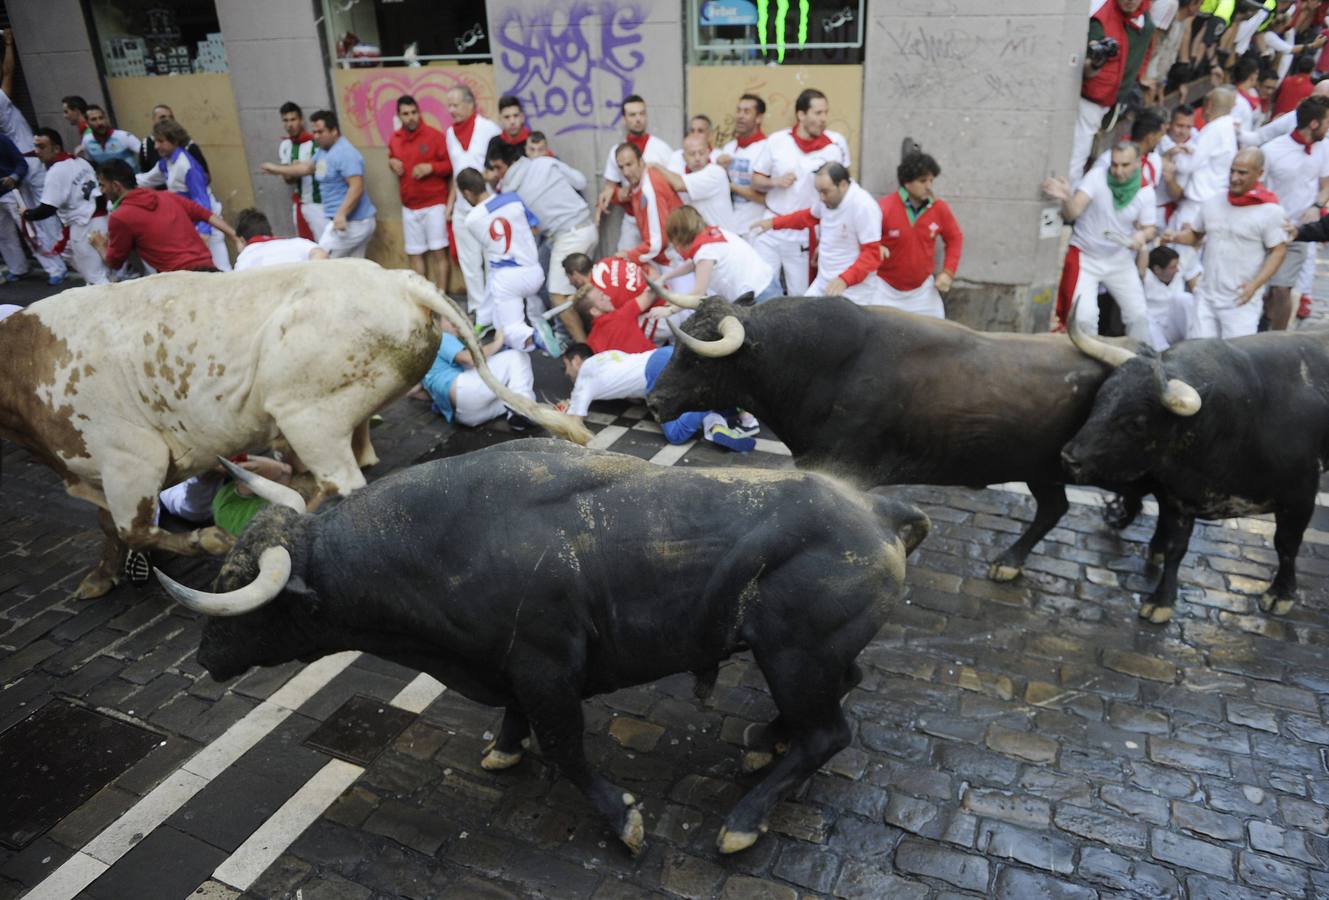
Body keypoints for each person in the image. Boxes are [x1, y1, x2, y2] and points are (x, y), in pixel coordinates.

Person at [1162, 148, 1287, 338]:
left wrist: (1254, 286)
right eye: (1232, 171)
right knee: (1200, 356)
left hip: (1240, 301)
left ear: (1260, 174)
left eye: (1242, 173)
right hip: (1207, 296)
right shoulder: (1213, 202)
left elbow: (1278, 251)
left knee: (1236, 361)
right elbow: (1195, 235)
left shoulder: (1270, 211)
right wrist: (1175, 237)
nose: (1235, 178)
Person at [1043, 141, 1157, 340]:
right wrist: (1066, 198)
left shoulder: (1146, 192)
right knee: (1084, 318)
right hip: (1086, 256)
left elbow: (1150, 228)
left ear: (1138, 163)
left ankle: (1140, 362)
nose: (1118, 171)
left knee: (1138, 315)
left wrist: (1141, 236)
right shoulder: (1097, 177)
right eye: (1114, 164)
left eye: (1125, 165)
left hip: (1118, 259)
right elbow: (1072, 213)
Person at [486, 139, 597, 343]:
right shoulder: (545, 162)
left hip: (568, 237)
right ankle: (574, 335)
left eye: (498, 167)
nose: (496, 173)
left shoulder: (512, 196)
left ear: (509, 163)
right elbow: (580, 181)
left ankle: (583, 349)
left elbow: (533, 228)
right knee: (572, 287)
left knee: (557, 294)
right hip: (588, 228)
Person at [560, 343, 756, 451]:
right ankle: (716, 422)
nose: (566, 374)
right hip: (663, 354)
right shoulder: (606, 356)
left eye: (565, 366)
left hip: (656, 371)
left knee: (676, 435)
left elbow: (574, 423)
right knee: (686, 401)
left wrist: (560, 416)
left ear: (576, 361)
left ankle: (710, 397)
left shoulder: (584, 377)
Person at [753, 88, 851, 295]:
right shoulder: (777, 140)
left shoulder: (834, 147)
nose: (824, 119)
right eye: (818, 113)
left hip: (804, 233)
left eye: (826, 113)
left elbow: (842, 195)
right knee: (762, 289)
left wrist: (827, 237)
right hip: (771, 227)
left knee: (801, 296)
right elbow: (756, 181)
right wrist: (775, 181)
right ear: (801, 115)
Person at [752, 162, 883, 305]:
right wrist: (772, 223)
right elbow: (807, 217)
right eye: (818, 192)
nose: (821, 198)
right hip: (823, 283)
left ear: (843, 185)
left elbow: (872, 254)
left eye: (825, 192)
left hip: (853, 291)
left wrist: (844, 280)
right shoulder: (827, 200)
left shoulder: (864, 206)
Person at [90, 159, 240, 276]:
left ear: (116, 186)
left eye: (102, 185)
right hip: (208, 269)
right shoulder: (167, 196)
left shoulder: (119, 217)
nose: (101, 191)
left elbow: (114, 261)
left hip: (179, 280)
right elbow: (206, 214)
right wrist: (235, 236)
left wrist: (101, 246)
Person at [262, 110, 377, 258]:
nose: (316, 136)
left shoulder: (345, 153)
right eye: (314, 132)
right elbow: (307, 167)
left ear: (334, 131)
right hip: (347, 223)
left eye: (320, 132)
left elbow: (357, 186)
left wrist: (342, 213)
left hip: (354, 223)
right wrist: (277, 169)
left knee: (320, 258)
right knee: (352, 269)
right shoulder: (324, 151)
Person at [0, 30, 65, 284]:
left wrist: (7, 44)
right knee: (31, 221)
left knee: (45, 215)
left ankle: (62, 263)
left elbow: (7, 73)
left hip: (30, 163)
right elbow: (7, 73)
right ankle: (54, 266)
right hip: (19, 168)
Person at [1259, 95, 1329, 330]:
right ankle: (1262, 327)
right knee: (1265, 291)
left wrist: (1316, 206)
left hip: (1299, 233)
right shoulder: (1271, 151)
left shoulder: (1324, 148)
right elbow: (1259, 188)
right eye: (1328, 121)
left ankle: (1278, 342)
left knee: (1282, 290)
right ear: (1314, 124)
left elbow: (1326, 184)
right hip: (1268, 230)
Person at [458, 167, 545, 353]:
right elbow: (535, 228)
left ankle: (535, 337)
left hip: (508, 280)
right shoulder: (513, 198)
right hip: (535, 270)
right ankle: (511, 341)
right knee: (501, 323)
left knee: (511, 329)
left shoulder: (471, 220)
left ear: (466, 193)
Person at [1071, 0, 1155, 184]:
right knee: (1077, 156)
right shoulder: (1101, 18)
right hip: (1092, 99)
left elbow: (1145, 48)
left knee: (1099, 153)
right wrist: (1096, 61)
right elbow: (1087, 68)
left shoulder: (1145, 20)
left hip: (1117, 100)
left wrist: (1140, 76)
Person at [877, 152, 963, 318]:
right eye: (923, 181)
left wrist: (948, 272)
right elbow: (864, 240)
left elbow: (955, 238)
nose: (929, 186)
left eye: (931, 180)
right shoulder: (884, 207)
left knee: (939, 335)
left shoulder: (939, 208)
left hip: (923, 292)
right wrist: (875, 246)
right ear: (907, 182)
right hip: (884, 290)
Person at [138, 118, 231, 270]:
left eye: (161, 141)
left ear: (174, 140)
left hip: (208, 224)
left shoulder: (187, 166)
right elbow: (147, 179)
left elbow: (202, 201)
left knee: (221, 267)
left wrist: (204, 232)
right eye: (156, 141)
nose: (156, 146)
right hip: (193, 224)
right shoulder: (166, 162)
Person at [22, 128, 108, 285]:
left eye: (41, 147)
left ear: (56, 148)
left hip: (84, 225)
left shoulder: (57, 171)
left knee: (96, 276)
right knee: (68, 252)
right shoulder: (79, 161)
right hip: (99, 219)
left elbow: (47, 209)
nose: (36, 151)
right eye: (35, 146)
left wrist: (27, 214)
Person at [444, 86, 503, 313]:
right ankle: (479, 311)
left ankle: (495, 308)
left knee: (491, 259)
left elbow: (500, 167)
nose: (451, 110)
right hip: (461, 207)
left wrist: (487, 177)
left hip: (487, 206)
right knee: (469, 263)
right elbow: (454, 170)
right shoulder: (449, 134)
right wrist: (450, 204)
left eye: (456, 105)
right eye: (449, 105)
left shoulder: (489, 129)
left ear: (470, 104)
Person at [419, 317, 537, 431]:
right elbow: (470, 359)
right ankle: (522, 410)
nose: (454, 322)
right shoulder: (439, 336)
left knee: (511, 396)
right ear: (436, 322)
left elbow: (414, 391)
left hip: (465, 417)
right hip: (465, 391)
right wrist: (498, 342)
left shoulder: (424, 356)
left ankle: (519, 420)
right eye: (449, 319)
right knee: (517, 356)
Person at [389, 94, 452, 292]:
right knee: (415, 254)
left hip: (434, 204)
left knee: (438, 253)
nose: (411, 117)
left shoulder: (434, 136)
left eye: (414, 112)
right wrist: (391, 163)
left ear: (419, 112)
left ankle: (441, 296)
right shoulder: (395, 139)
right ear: (399, 116)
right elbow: (391, 158)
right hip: (409, 206)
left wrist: (431, 168)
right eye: (406, 114)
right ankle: (423, 297)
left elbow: (450, 166)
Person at [596, 95, 672, 251]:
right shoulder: (616, 151)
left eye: (642, 113)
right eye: (632, 115)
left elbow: (675, 184)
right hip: (632, 217)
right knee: (625, 264)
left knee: (662, 260)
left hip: (659, 216)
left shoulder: (662, 148)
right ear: (624, 119)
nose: (638, 119)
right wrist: (615, 196)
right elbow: (610, 188)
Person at [661, 205, 780, 302]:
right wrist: (665, 277)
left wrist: (670, 310)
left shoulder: (705, 252)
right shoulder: (713, 234)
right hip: (767, 283)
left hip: (758, 297)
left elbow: (698, 294)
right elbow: (694, 263)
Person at [614, 142, 685, 271]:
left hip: (674, 260)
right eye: (621, 167)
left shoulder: (650, 188)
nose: (626, 172)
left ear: (641, 162)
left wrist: (629, 255)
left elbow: (656, 243)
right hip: (668, 257)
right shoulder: (640, 181)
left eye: (629, 165)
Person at [653, 132, 735, 230]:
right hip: (701, 239)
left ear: (709, 152)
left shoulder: (716, 172)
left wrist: (656, 166)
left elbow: (679, 184)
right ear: (684, 157)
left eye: (701, 153)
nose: (697, 158)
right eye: (692, 154)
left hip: (721, 240)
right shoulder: (684, 175)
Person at [271, 101, 324, 241]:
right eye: (285, 120)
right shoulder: (285, 145)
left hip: (320, 204)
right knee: (306, 247)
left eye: (293, 119)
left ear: (301, 120)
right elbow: (288, 180)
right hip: (300, 204)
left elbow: (323, 172)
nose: (289, 125)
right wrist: (293, 170)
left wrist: (299, 168)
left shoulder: (315, 142)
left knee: (326, 247)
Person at [718, 93, 771, 233]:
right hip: (729, 227)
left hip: (755, 230)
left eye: (747, 112)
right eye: (738, 110)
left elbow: (768, 199)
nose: (740, 116)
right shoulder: (728, 148)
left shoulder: (767, 149)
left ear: (759, 118)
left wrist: (731, 186)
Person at [572, 279, 659, 354]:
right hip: (656, 362)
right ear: (594, 311)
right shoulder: (621, 315)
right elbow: (651, 294)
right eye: (602, 298)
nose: (608, 298)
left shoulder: (592, 344)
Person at [233, 208, 328, 270]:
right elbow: (320, 253)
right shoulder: (297, 242)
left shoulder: (245, 256)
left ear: (242, 240)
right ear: (272, 233)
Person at [1142, 245, 1195, 349]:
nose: (1177, 270)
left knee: (1185, 298)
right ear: (1157, 269)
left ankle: (1194, 345)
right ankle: (1161, 358)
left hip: (1174, 326)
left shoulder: (1178, 274)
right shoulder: (1145, 278)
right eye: (1172, 267)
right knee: (1143, 319)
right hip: (1154, 331)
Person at [137, 104, 209, 177]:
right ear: (154, 120)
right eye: (162, 118)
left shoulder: (188, 149)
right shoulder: (147, 145)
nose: (167, 121)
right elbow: (146, 176)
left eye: (171, 117)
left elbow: (204, 177)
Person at [0, 131, 28, 279]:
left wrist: (13, 177)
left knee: (28, 230)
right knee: (3, 236)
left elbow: (22, 164)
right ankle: (17, 269)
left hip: (10, 192)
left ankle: (54, 268)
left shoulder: (2, 140)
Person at [80, 105, 140, 172]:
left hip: (132, 180)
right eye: (94, 119)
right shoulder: (87, 140)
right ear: (87, 123)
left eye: (101, 118)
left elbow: (145, 154)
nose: (99, 123)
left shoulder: (124, 136)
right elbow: (91, 164)